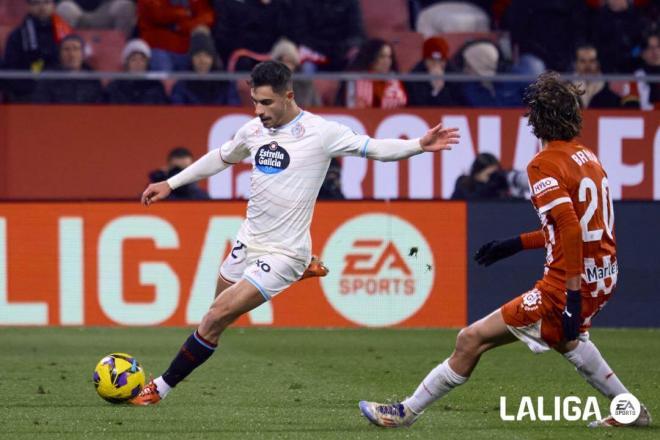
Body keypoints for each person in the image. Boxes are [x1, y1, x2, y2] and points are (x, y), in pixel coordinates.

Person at [131, 60, 460, 405]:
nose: (259, 111)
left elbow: (374, 148)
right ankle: (298, 273)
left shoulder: (322, 133)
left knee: (214, 319)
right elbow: (222, 157)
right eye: (255, 102)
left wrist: (418, 145)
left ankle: (159, 388)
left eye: (267, 102)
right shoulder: (253, 131)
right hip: (249, 241)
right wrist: (171, 182)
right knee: (214, 312)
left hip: (285, 252)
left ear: (289, 96)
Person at [359, 71, 652, 429]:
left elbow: (571, 228)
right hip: (604, 273)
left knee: (471, 339)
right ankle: (631, 410)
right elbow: (579, 229)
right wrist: (516, 244)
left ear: (536, 119)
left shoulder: (543, 163)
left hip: (566, 285)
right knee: (567, 341)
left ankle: (404, 413)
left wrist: (572, 297)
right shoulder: (587, 157)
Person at [3, 0, 72, 102]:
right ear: (28, 7)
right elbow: (11, 68)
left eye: (46, 2)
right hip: (25, 93)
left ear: (53, 5)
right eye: (36, 3)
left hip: (59, 91)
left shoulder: (64, 32)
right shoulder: (17, 36)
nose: (42, 7)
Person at [136, 0, 214, 71]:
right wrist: (183, 13)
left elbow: (207, 17)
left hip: (186, 48)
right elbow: (156, 14)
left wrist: (182, 26)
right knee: (162, 81)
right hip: (158, 47)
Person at [170, 30, 240, 106]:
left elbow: (233, 109)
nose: (202, 60)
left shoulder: (225, 84)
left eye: (207, 56)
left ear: (213, 59)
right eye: (198, 55)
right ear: (191, 59)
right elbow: (176, 111)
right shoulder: (181, 85)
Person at [31, 33, 104, 103]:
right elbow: (40, 106)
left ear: (83, 54)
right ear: (59, 54)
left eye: (76, 49)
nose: (71, 54)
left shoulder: (92, 79)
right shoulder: (49, 78)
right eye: (66, 49)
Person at [339, 39, 407, 109]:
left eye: (389, 57)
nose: (386, 61)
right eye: (381, 56)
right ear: (371, 58)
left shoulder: (395, 81)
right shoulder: (354, 80)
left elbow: (401, 104)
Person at [105, 38, 169, 104]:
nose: (138, 63)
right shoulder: (115, 87)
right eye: (133, 59)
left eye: (142, 60)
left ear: (147, 63)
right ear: (127, 63)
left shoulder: (156, 86)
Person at [406, 36, 459, 107]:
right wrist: (434, 91)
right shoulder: (414, 77)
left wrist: (441, 90)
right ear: (425, 60)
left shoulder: (455, 76)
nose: (436, 65)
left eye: (441, 61)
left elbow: (456, 107)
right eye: (432, 61)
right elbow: (418, 106)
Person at [451, 152, 528, 200]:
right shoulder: (463, 183)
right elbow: (475, 200)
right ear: (477, 172)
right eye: (489, 175)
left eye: (495, 174)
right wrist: (492, 187)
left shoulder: (499, 187)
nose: (492, 178)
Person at [270, 38, 321, 108]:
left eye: (289, 61)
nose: (285, 65)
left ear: (295, 63)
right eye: (282, 61)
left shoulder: (305, 82)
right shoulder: (268, 83)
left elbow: (317, 106)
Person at [573, 45, 627, 109]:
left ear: (598, 63)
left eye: (592, 61)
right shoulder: (567, 91)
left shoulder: (611, 92)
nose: (587, 65)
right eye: (582, 61)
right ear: (576, 64)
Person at [56, 0, 136, 37]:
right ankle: (67, 51)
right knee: (64, 7)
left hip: (106, 12)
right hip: (80, 14)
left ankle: (123, 54)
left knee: (125, 5)